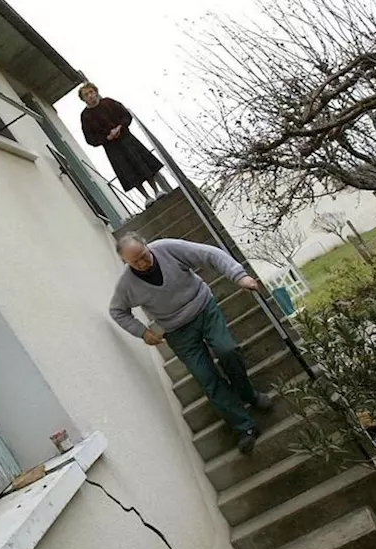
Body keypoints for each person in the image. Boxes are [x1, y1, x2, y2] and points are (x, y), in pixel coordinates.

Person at [109, 233, 274, 453]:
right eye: (135, 261)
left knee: (227, 351)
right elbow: (117, 311)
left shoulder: (168, 248)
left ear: (147, 245)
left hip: (204, 308)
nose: (142, 262)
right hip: (177, 331)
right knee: (207, 378)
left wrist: (239, 276)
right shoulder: (127, 285)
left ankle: (248, 394)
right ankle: (244, 426)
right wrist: (142, 332)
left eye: (143, 255)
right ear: (125, 263)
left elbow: (210, 254)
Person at [78, 83, 172, 203]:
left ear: (96, 92)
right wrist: (107, 137)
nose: (90, 96)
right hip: (112, 147)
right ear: (83, 99)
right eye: (86, 95)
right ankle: (147, 198)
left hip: (126, 138)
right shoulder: (85, 116)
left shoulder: (108, 102)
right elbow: (90, 138)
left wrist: (120, 127)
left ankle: (156, 191)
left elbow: (126, 115)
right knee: (128, 171)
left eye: (91, 92)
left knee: (142, 163)